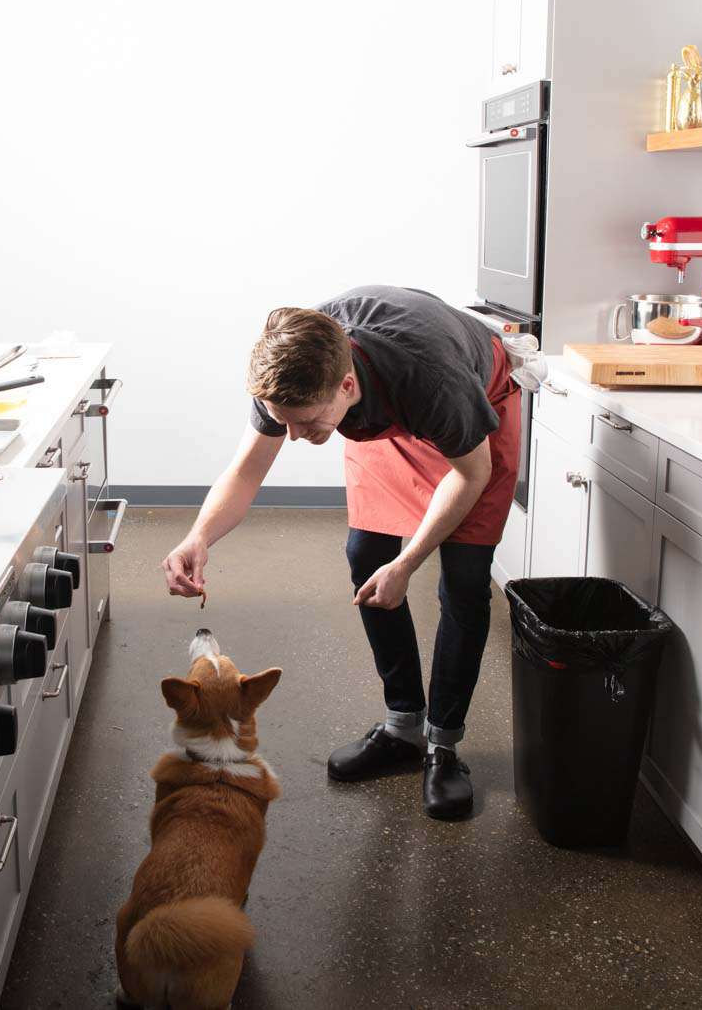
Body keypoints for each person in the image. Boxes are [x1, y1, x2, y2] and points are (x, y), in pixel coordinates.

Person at [161, 285, 521, 820]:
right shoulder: (292, 371)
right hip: (387, 417)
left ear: (347, 385)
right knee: (365, 554)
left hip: (471, 409)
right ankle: (403, 727)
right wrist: (198, 537)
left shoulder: (433, 380)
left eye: (305, 423)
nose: (295, 437)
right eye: (282, 421)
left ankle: (444, 745)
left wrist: (407, 565)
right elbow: (246, 471)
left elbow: (472, 474)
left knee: (464, 581)